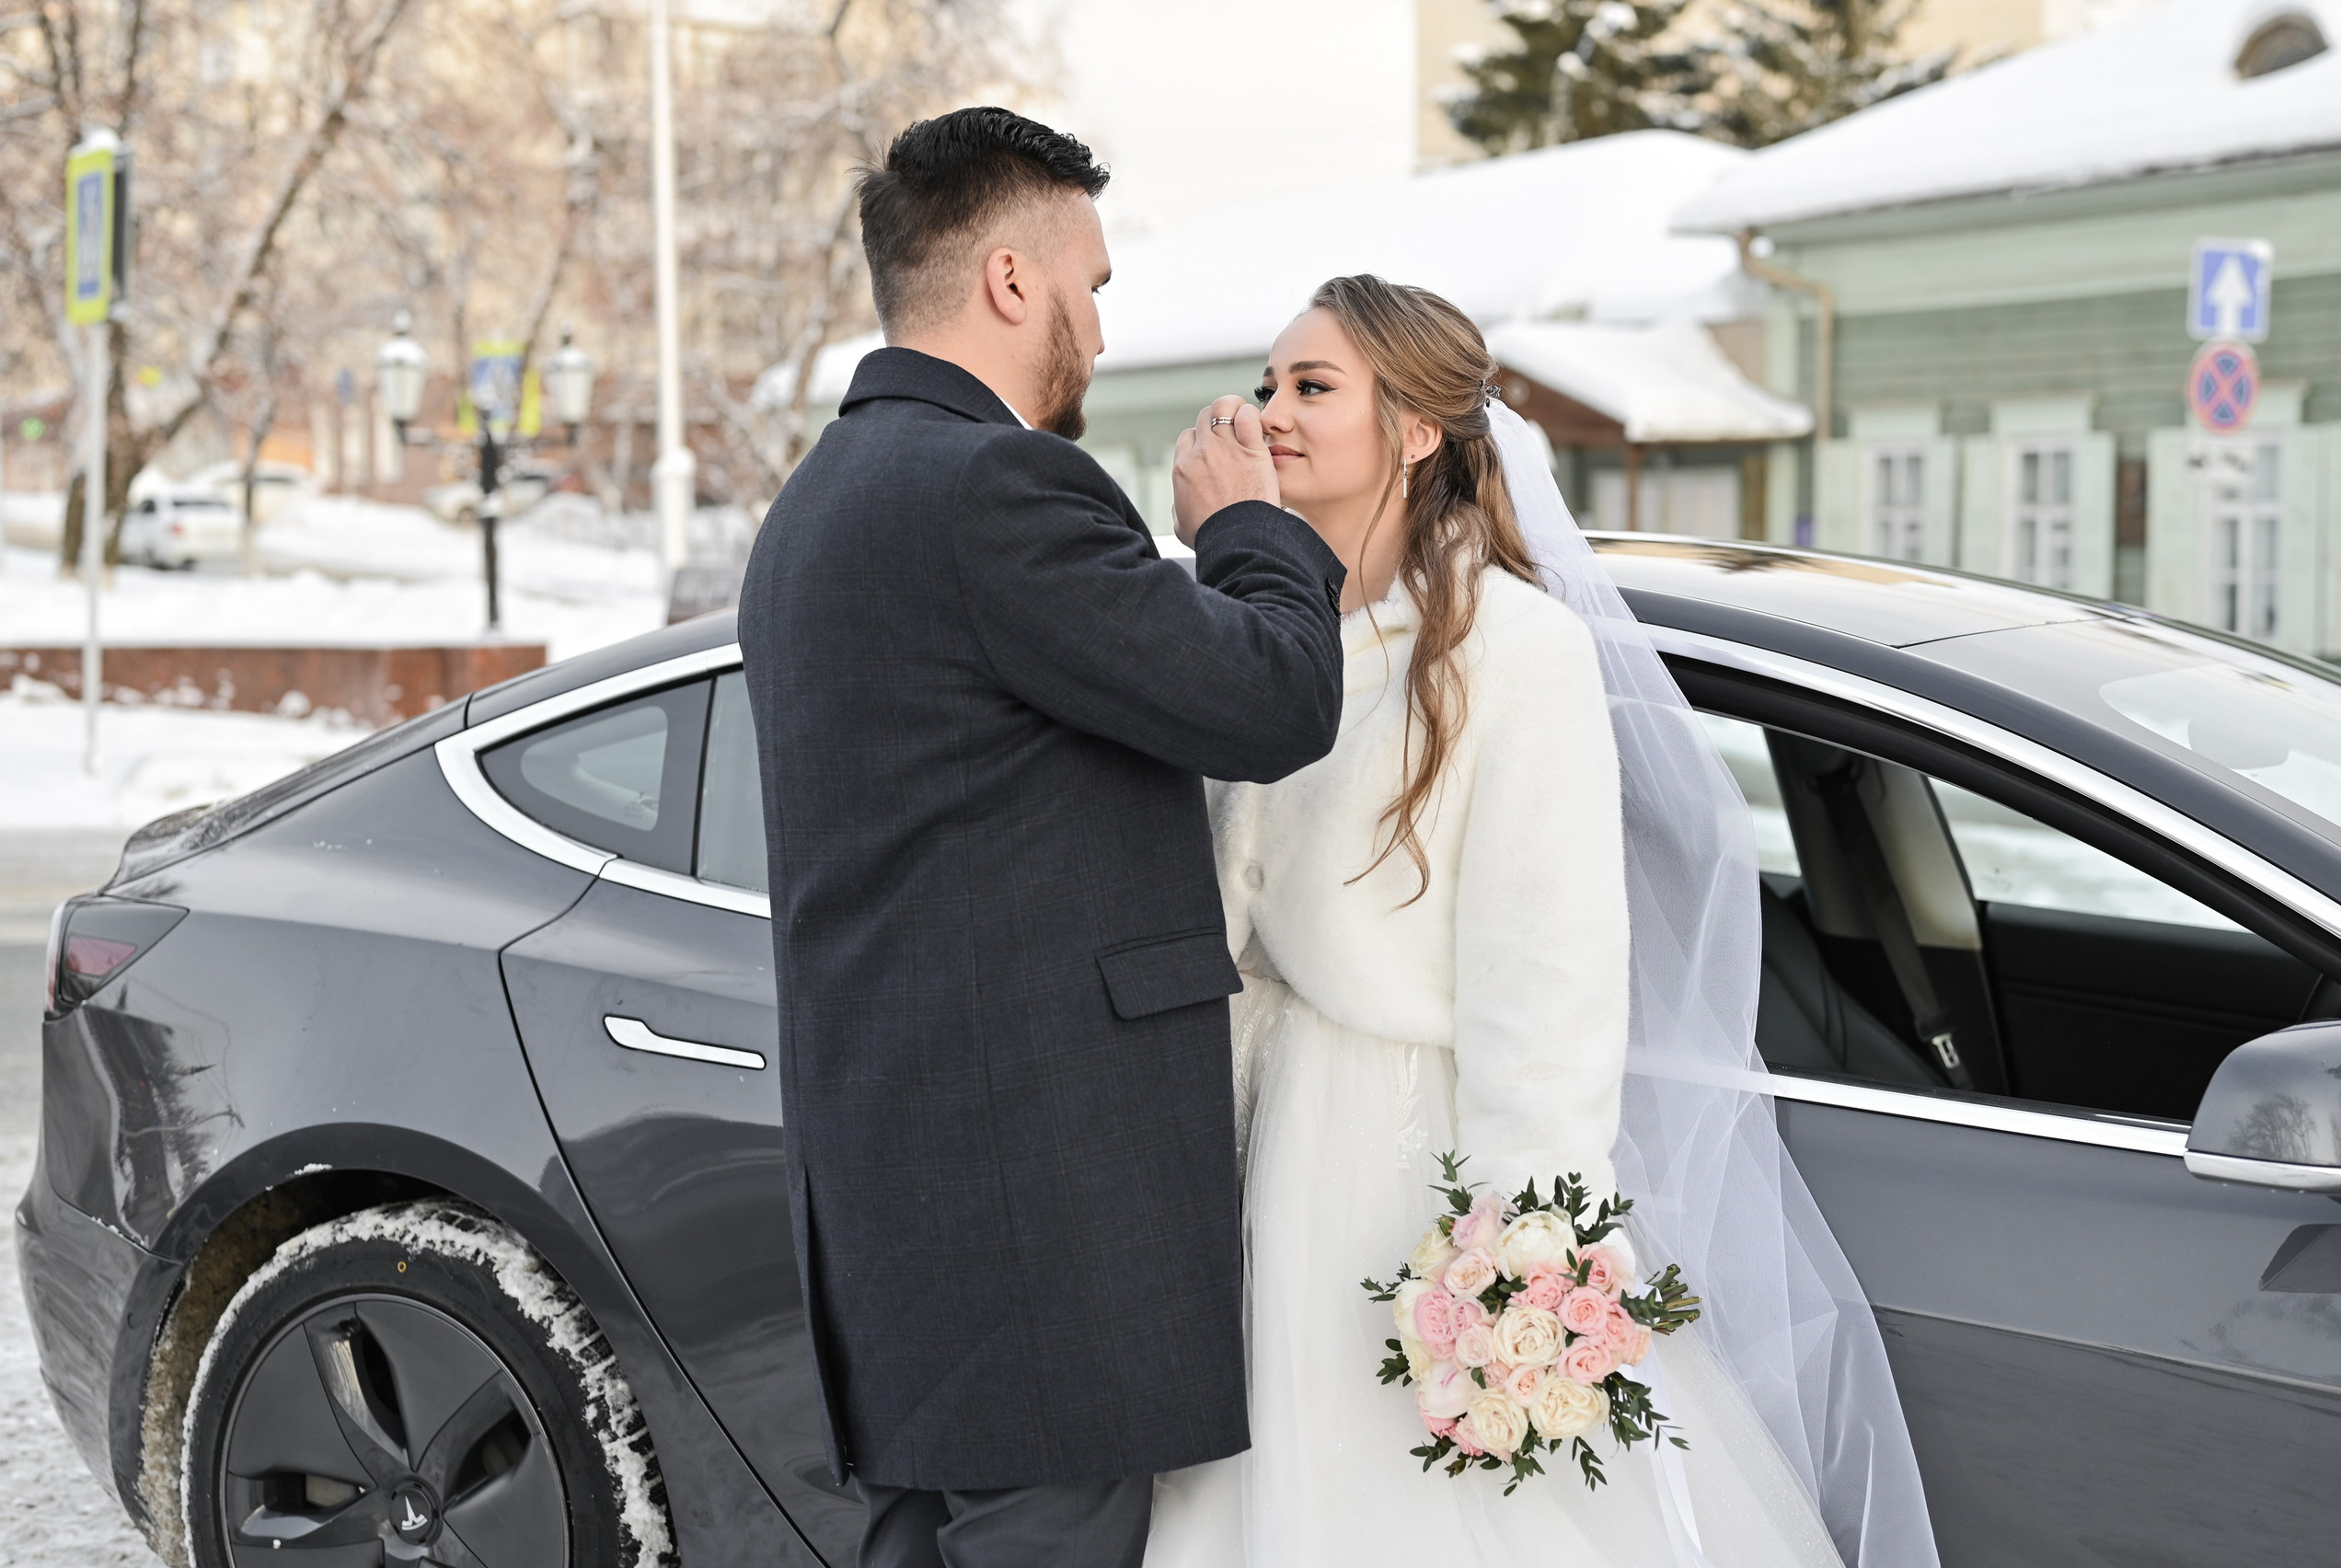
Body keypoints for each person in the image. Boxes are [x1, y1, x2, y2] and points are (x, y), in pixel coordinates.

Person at [1144, 276, 1943, 1568]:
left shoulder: (1514, 651)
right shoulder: (1255, 637)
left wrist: (1522, 1261)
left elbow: (1549, 982)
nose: (1269, 412)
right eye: (1267, 383)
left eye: (1312, 386)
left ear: (1415, 429)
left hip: (1405, 1163)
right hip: (1247, 1140)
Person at [736, 109, 1348, 1568]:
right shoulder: (998, 487)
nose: (1102, 325)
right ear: (1013, 281)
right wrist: (1245, 530)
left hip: (902, 1198)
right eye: (1093, 282)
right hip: (1035, 1222)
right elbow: (1272, 700)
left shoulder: (817, 502)